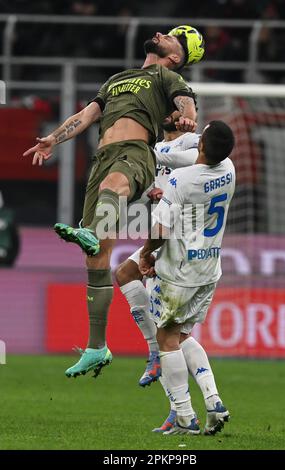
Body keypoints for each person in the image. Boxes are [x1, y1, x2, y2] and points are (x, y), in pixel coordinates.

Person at [23, 27, 204, 378]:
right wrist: (53, 140)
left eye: (168, 36)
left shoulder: (166, 76)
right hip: (101, 158)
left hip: (135, 154)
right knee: (96, 258)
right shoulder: (117, 79)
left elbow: (186, 102)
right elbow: (86, 116)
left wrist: (188, 117)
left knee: (113, 186)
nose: (159, 33)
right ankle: (96, 347)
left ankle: (89, 230)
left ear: (176, 57)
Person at [139, 121, 235, 435]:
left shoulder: (181, 180)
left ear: (202, 145)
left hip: (180, 272)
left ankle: (183, 417)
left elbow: (160, 231)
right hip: (209, 270)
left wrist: (145, 254)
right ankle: (214, 401)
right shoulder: (230, 169)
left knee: (166, 339)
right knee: (181, 336)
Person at [116, 110, 199, 386]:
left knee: (172, 335)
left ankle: (193, 406)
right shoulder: (155, 147)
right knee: (125, 274)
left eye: (173, 108)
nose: (165, 112)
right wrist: (149, 190)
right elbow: (147, 186)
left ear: (185, 113)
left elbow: (199, 169)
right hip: (161, 233)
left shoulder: (191, 142)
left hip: (180, 239)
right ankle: (154, 354)